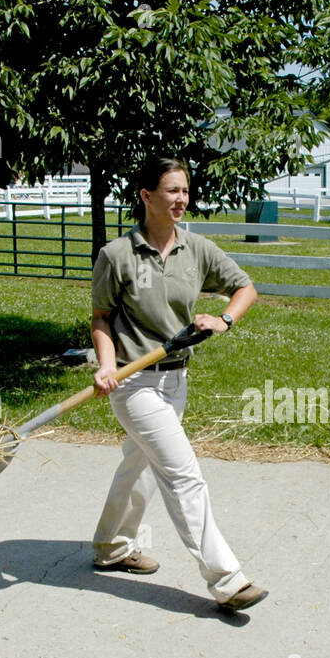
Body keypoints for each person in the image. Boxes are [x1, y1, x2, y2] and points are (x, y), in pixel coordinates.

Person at [89, 156, 267, 612]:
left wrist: (225, 318)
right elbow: (102, 319)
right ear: (146, 196)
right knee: (183, 475)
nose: (181, 199)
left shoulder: (197, 250)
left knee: (140, 465)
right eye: (171, 190)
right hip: (133, 383)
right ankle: (227, 579)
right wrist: (106, 365)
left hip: (175, 378)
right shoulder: (117, 256)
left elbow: (245, 288)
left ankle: (111, 547)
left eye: (185, 190)